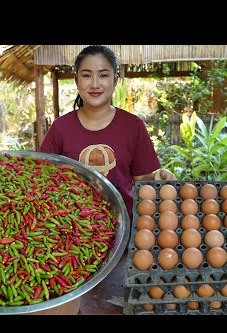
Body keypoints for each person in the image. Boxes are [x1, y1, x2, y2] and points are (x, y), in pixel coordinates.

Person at [39, 45, 175, 221]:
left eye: (103, 75)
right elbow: (41, 180)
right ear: (76, 80)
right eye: (86, 75)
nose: (95, 84)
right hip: (72, 233)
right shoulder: (60, 128)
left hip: (124, 231)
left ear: (115, 80)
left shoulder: (133, 126)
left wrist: (158, 176)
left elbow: (143, 182)